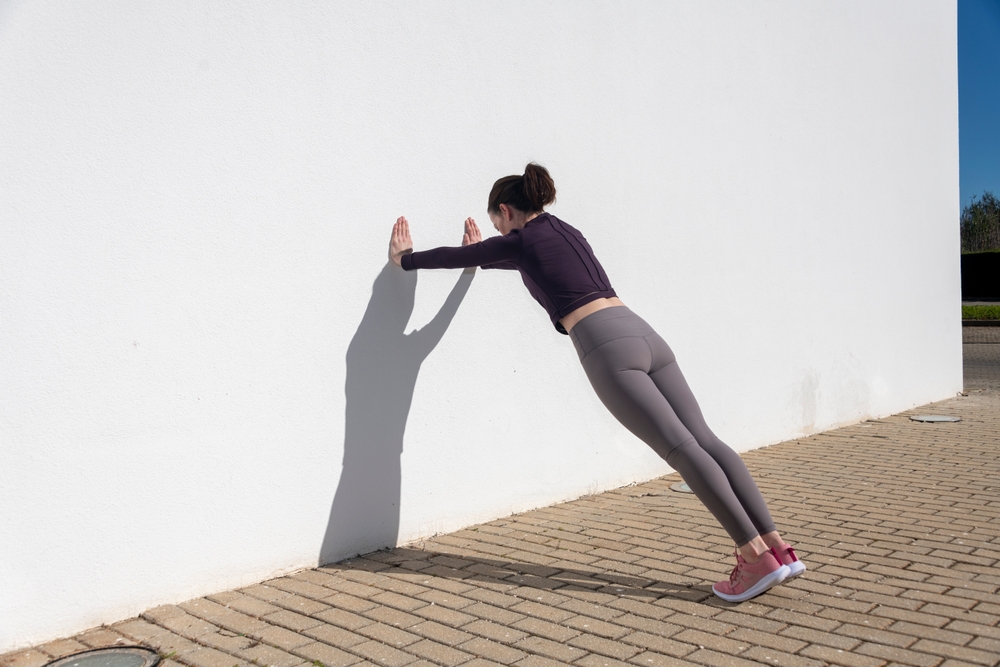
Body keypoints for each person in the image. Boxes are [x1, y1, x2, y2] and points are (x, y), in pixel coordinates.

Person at [387, 163, 805, 602]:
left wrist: (405, 259)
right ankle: (778, 549)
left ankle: (754, 558)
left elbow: (472, 256)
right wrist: (488, 251)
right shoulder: (563, 229)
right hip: (643, 332)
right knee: (705, 438)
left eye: (496, 223)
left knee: (681, 448)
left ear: (505, 211)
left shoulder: (521, 241)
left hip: (606, 346)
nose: (498, 232)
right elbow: (528, 262)